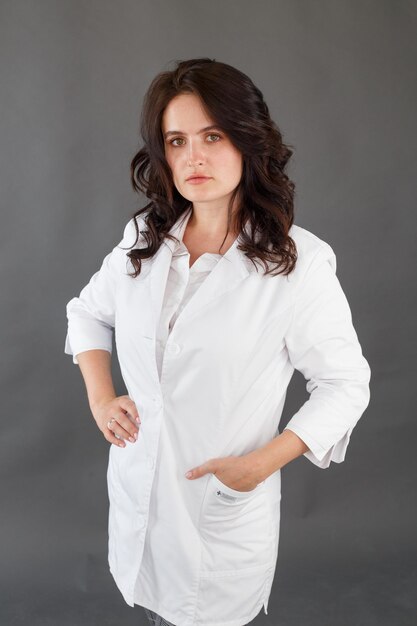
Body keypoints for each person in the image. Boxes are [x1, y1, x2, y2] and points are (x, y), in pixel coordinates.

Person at [64, 58, 371, 626]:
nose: (194, 157)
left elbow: (346, 385)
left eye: (213, 135)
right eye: (176, 141)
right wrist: (101, 398)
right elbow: (86, 314)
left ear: (249, 142)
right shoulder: (144, 240)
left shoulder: (297, 263)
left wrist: (262, 465)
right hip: (140, 503)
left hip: (219, 520)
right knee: (152, 608)